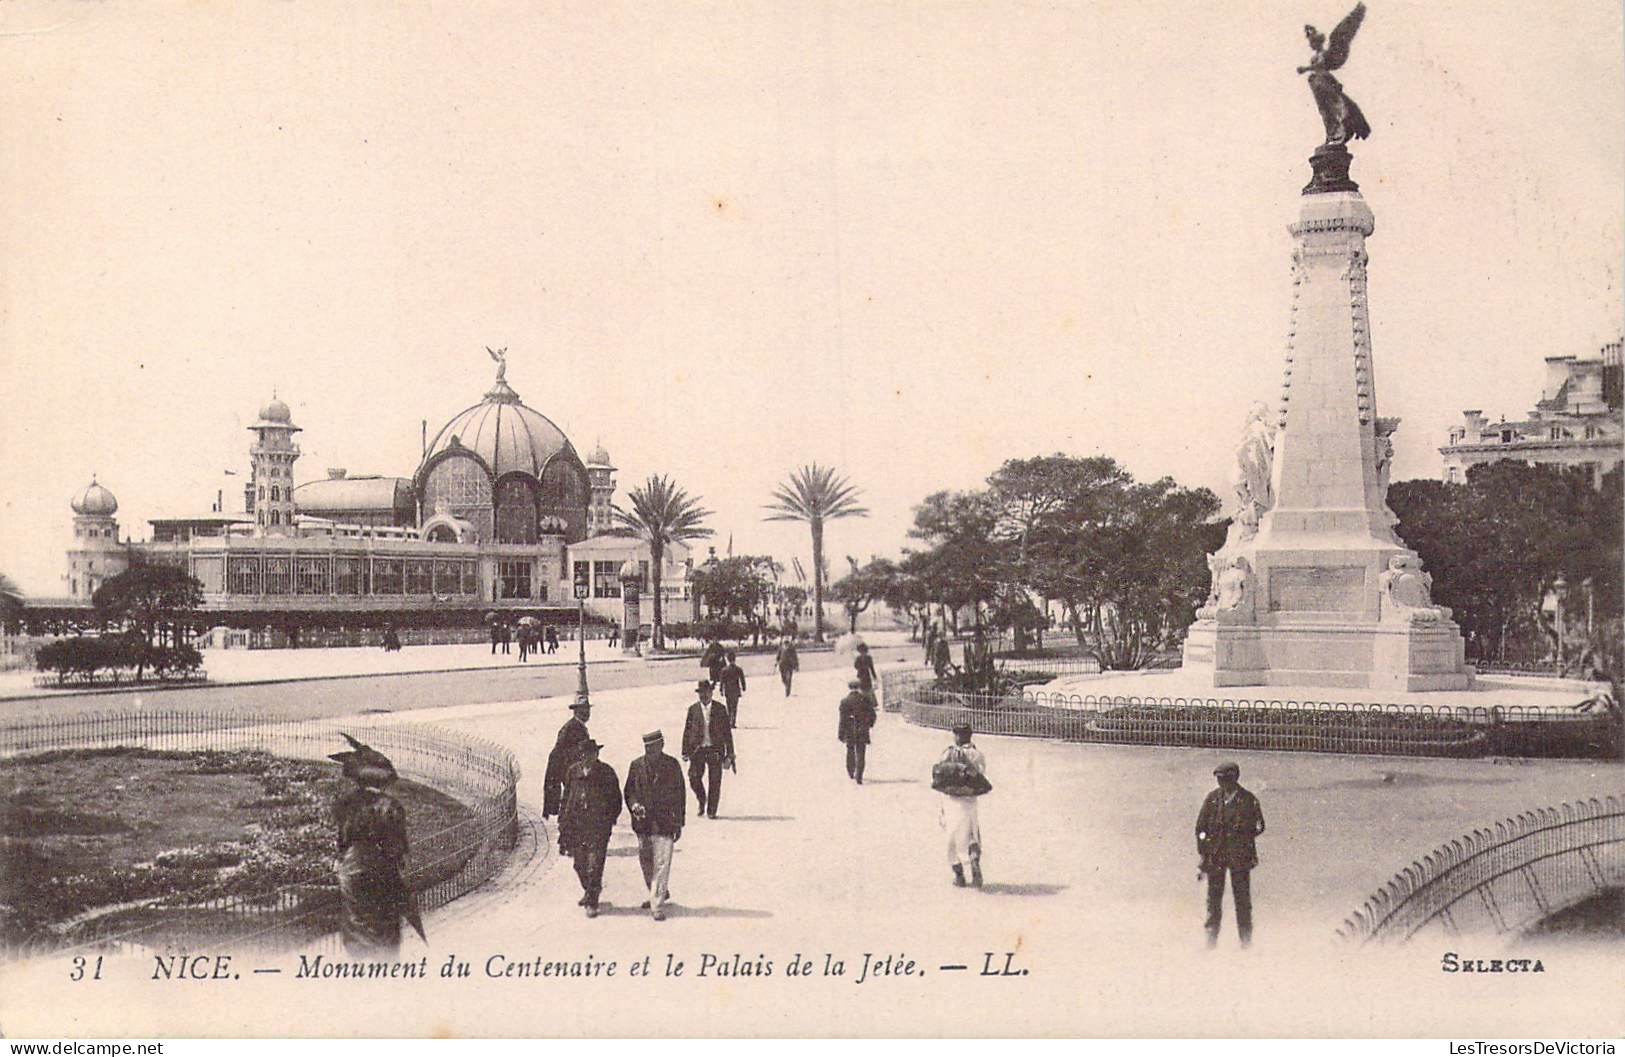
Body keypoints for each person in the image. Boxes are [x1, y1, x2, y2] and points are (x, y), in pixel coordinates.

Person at [329, 733, 424, 955]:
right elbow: (397, 845)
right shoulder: (390, 806)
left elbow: (343, 838)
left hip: (352, 867)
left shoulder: (345, 804)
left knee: (357, 920)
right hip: (381, 867)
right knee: (384, 921)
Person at [1195, 761, 1266, 948]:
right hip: (1216, 855)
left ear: (1234, 778)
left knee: (1242, 900)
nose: (1220, 783)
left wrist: (1242, 835)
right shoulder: (1212, 799)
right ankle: (1210, 941)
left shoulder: (1248, 799)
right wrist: (1204, 850)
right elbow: (1200, 827)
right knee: (1213, 900)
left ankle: (1246, 941)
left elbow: (1259, 826)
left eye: (1224, 778)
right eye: (1218, 779)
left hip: (1239, 856)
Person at [623, 729, 686, 921]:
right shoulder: (636, 766)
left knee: (661, 864)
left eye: (654, 748)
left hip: (665, 822)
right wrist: (634, 805)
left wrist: (679, 822)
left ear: (662, 745)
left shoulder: (672, 765)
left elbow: (680, 795)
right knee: (646, 861)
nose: (650, 751)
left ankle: (657, 904)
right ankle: (657, 891)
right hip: (643, 823)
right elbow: (629, 791)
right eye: (647, 748)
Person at [558, 739, 622, 917]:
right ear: (580, 756)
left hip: (598, 826)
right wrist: (563, 821)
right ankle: (590, 890)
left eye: (592, 754)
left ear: (597, 754)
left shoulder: (606, 772)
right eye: (585, 755)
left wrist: (609, 819)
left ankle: (592, 901)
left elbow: (616, 798)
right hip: (577, 826)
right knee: (579, 865)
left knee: (595, 864)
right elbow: (566, 798)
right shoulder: (573, 772)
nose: (588, 758)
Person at [938, 722, 987, 887]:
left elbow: (939, 776)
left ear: (956, 736)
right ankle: (974, 860)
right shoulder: (977, 754)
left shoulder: (947, 753)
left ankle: (959, 875)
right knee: (972, 834)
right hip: (969, 800)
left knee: (951, 837)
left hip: (951, 800)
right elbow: (981, 774)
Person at [681, 680, 734, 819]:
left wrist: (730, 754)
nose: (704, 695)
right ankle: (701, 799)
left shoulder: (720, 709)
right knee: (693, 778)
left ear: (711, 693)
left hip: (714, 749)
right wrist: (685, 751)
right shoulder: (693, 710)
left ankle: (711, 810)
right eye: (701, 693)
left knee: (715, 781)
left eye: (707, 692)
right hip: (697, 750)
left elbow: (727, 733)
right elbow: (687, 731)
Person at [542, 700, 592, 821]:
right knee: (572, 794)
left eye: (588, 710)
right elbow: (561, 751)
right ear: (576, 712)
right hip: (566, 767)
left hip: (569, 766)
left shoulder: (577, 726)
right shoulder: (573, 727)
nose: (587, 713)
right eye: (584, 710)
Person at [837, 678, 876, 784]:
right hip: (862, 728)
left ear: (849, 688)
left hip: (850, 729)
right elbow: (872, 715)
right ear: (858, 687)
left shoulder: (845, 701)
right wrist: (869, 724)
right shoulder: (865, 699)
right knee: (861, 752)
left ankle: (851, 771)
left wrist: (840, 733)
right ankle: (859, 775)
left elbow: (842, 719)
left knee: (850, 750)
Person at [718, 650, 747, 728]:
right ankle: (733, 722)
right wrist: (744, 687)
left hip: (728, 690)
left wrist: (721, 690)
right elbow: (742, 679)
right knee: (734, 706)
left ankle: (729, 721)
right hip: (736, 690)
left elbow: (722, 681)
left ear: (728, 659)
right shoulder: (738, 669)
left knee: (729, 706)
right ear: (735, 659)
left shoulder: (724, 670)